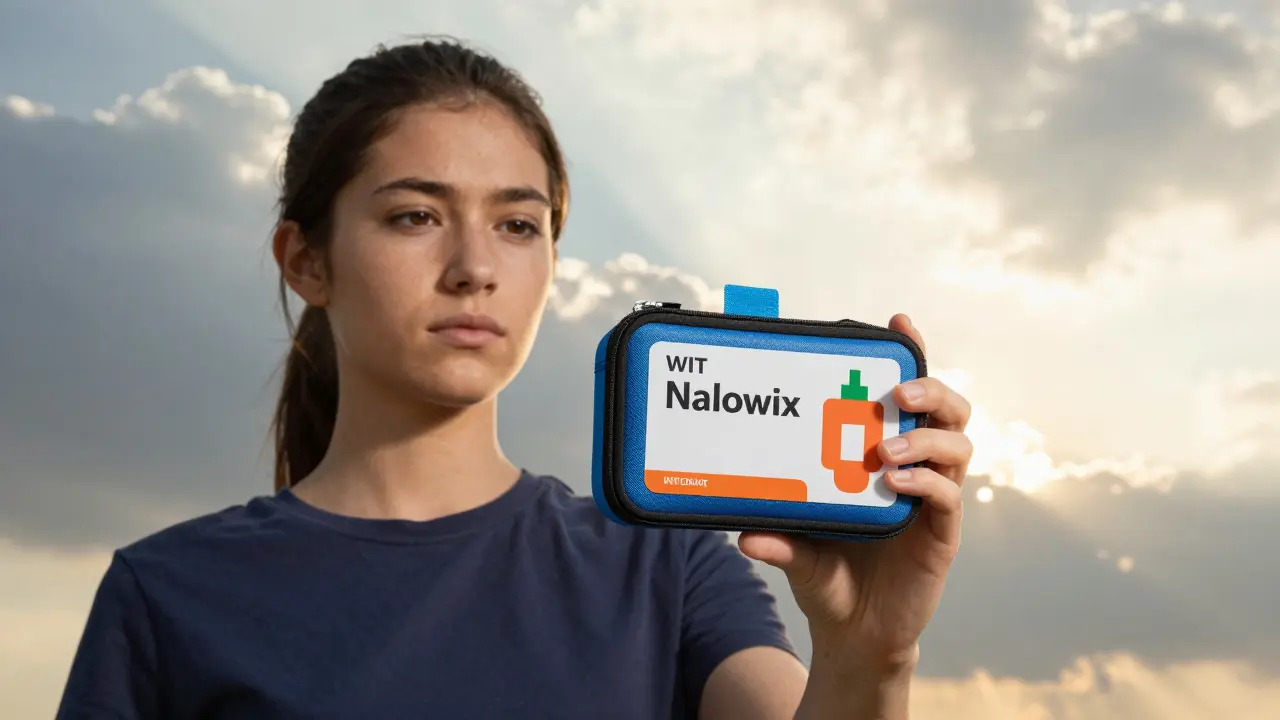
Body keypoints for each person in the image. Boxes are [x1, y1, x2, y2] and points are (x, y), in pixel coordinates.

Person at [56, 37, 974, 720]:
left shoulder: (666, 563)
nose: (474, 268)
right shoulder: (167, 594)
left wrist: (873, 657)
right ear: (307, 262)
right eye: (415, 216)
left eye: (518, 225)